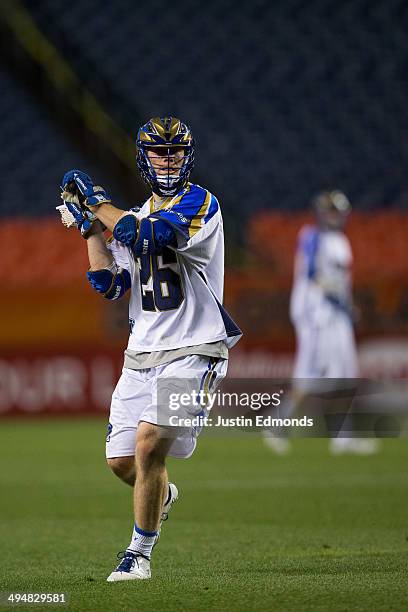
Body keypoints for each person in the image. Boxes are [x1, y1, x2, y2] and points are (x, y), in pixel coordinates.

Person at [57, 116, 242, 581]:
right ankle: (163, 496)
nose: (167, 160)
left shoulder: (202, 202)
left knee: (147, 447)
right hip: (141, 352)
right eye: (158, 152)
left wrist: (98, 206)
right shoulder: (134, 212)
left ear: (187, 156)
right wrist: (89, 232)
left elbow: (153, 236)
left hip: (195, 348)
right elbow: (109, 282)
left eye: (174, 152)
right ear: (144, 158)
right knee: (122, 463)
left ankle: (138, 554)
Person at [264, 190, 378, 454]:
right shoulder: (311, 236)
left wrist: (346, 306)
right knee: (308, 375)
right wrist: (340, 303)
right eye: (330, 211)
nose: (334, 216)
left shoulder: (340, 240)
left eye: (337, 211)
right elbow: (313, 274)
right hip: (317, 316)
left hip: (337, 316)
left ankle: (342, 437)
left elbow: (340, 282)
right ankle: (276, 423)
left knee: (345, 375)